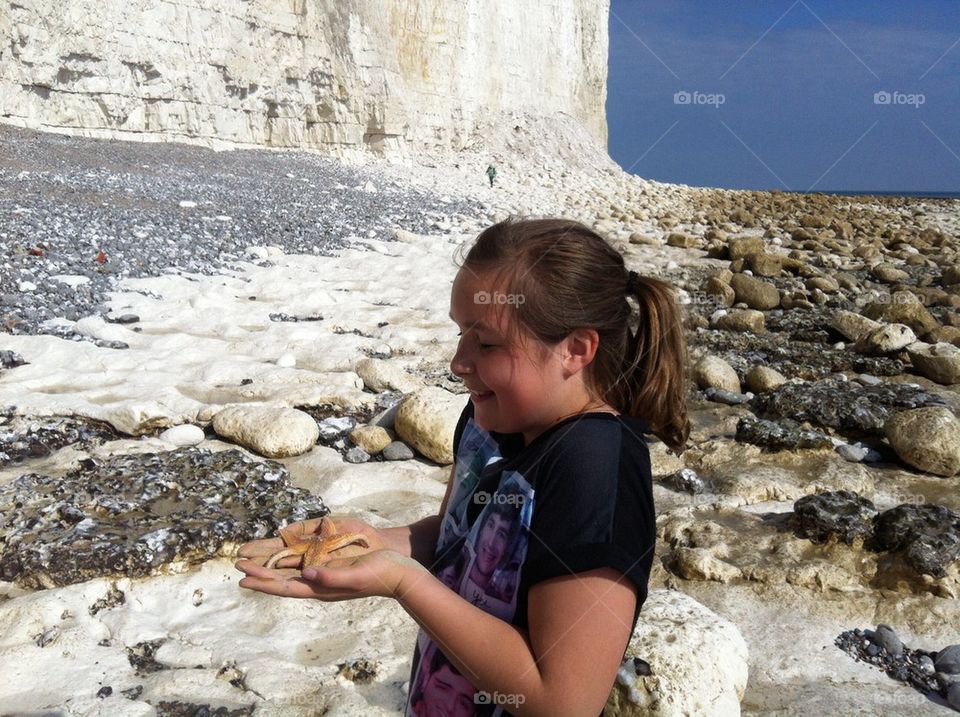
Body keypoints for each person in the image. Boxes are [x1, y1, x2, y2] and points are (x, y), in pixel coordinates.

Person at [236, 217, 690, 716]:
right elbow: (457, 538)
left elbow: (563, 701)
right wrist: (370, 542)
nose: (458, 362)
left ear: (575, 350)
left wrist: (404, 583)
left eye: (487, 343)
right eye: (460, 333)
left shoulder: (595, 469)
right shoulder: (488, 420)